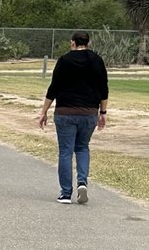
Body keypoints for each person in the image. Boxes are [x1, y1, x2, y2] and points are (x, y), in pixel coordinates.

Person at [38, 31, 109, 204]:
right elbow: (103, 88)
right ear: (88, 43)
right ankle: (82, 182)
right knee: (83, 147)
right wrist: (103, 113)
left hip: (65, 112)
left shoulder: (64, 60)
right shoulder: (96, 60)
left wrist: (44, 111)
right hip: (89, 112)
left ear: (72, 43)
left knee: (66, 151)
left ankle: (65, 193)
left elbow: (53, 88)